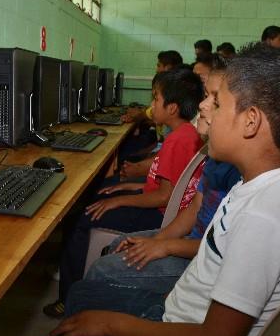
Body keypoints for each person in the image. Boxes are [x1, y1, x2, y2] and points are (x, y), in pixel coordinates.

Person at [0, 43, 280, 336]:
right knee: (85, 295)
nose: (201, 106)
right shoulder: (266, 181)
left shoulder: (267, 216)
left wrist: (111, 326)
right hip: (181, 311)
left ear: (251, 121)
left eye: (216, 100)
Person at [43, 69, 204, 318]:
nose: (151, 105)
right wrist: (128, 187)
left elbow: (164, 196)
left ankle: (68, 297)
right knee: (99, 198)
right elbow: (164, 185)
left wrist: (120, 200)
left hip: (159, 216)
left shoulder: (178, 140)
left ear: (172, 108)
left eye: (156, 99)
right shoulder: (184, 135)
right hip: (162, 208)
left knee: (81, 220)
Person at [86, 61, 241, 294]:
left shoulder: (190, 142)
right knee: (117, 244)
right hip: (187, 236)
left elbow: (221, 247)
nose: (203, 104)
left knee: (100, 260)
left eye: (215, 99)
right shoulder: (213, 154)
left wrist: (165, 245)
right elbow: (196, 207)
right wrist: (160, 240)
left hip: (201, 261)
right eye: (206, 96)